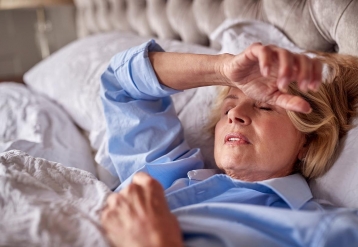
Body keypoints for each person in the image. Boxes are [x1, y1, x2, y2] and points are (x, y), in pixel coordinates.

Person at [99, 40, 358, 247]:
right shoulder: (163, 171)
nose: (234, 114)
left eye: (265, 107)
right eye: (228, 106)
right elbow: (121, 85)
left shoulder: (325, 229)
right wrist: (221, 69)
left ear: (308, 143)